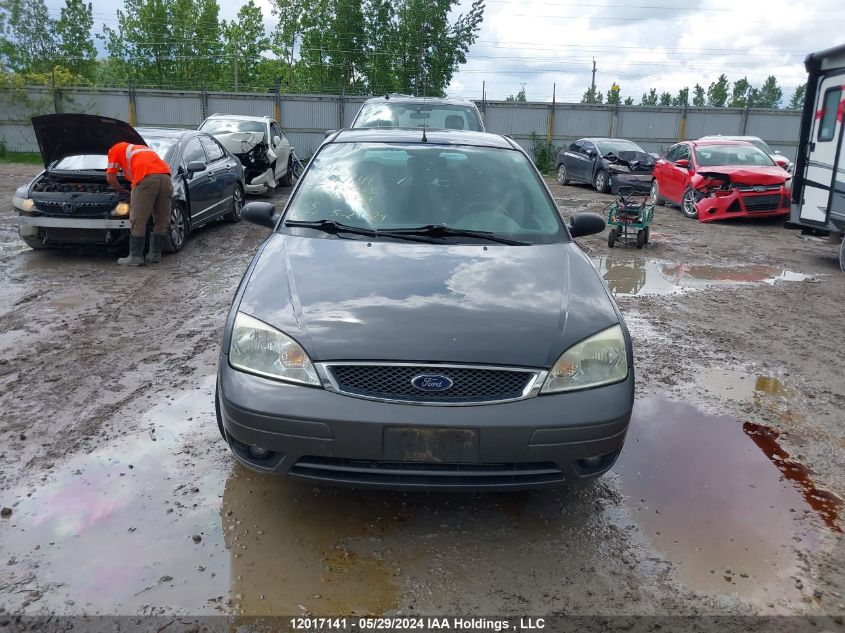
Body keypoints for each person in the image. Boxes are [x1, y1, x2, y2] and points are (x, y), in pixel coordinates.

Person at [106, 142, 173, 266]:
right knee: (162, 219)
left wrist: (122, 191)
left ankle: (135, 257)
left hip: (146, 178)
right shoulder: (142, 148)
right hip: (166, 178)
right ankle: (154, 255)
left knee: (138, 218)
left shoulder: (114, 149)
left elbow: (110, 177)